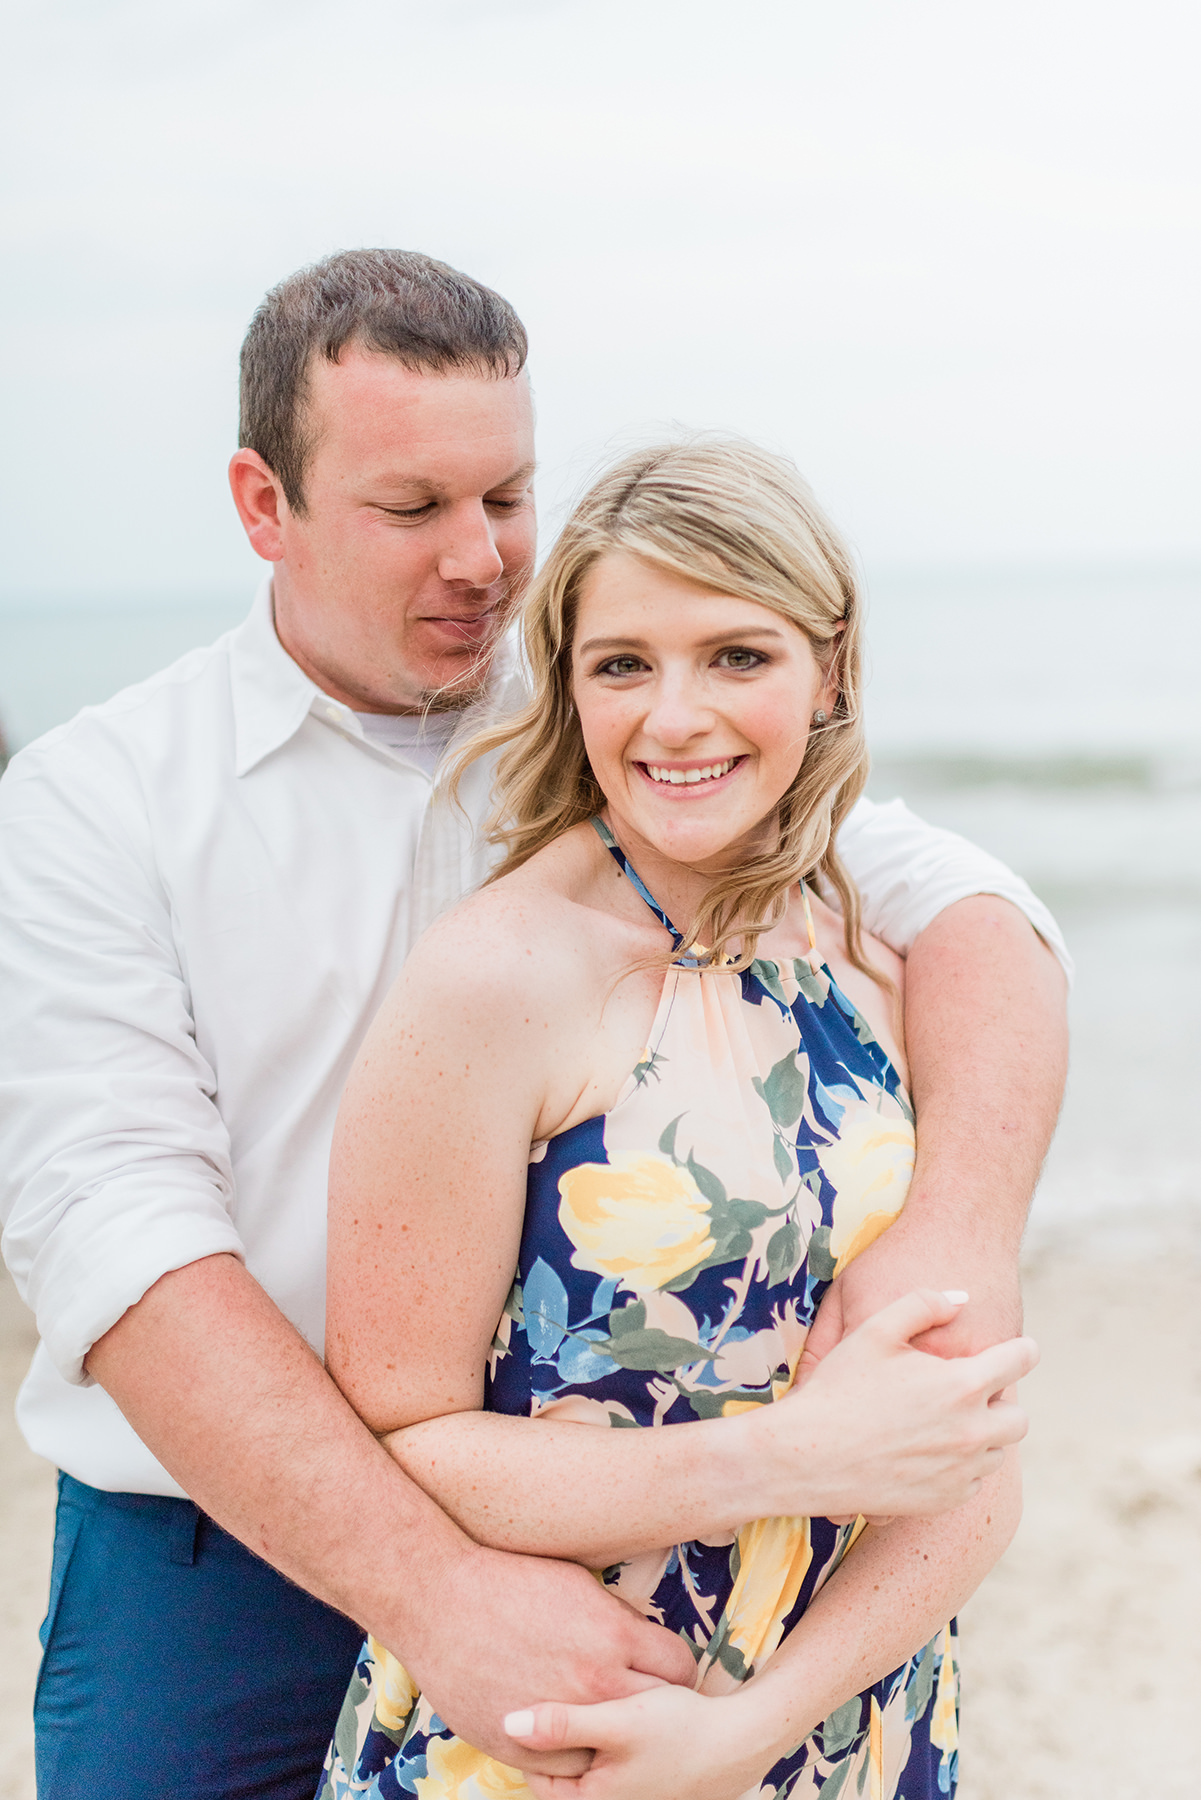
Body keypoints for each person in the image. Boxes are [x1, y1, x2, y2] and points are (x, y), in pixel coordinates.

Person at [0, 250, 1067, 1800]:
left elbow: (968, 909)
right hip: (210, 1547)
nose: (481, 557)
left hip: (640, 1524)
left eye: (507, 497)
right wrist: (430, 1587)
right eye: (412, 505)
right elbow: (118, 1232)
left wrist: (955, 1226)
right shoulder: (96, 802)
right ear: (262, 505)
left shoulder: (616, 718)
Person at [315, 438, 1040, 1800]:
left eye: (736, 656)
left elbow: (969, 1451)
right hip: (561, 1730)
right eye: (622, 664)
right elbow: (403, 1446)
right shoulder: (495, 982)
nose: (675, 718)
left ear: (828, 671)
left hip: (843, 1725)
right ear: (568, 685)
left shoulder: (870, 959)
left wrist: (751, 1730)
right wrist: (783, 1460)